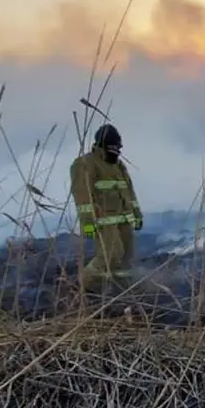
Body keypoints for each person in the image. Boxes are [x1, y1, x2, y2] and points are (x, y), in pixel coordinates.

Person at [70, 123, 143, 293]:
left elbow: (129, 192)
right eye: (112, 148)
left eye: (118, 148)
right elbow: (82, 197)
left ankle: (119, 289)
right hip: (102, 220)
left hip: (124, 219)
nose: (116, 152)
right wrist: (88, 223)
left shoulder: (119, 166)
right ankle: (81, 286)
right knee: (110, 255)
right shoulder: (85, 164)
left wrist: (137, 215)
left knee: (125, 257)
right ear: (102, 145)